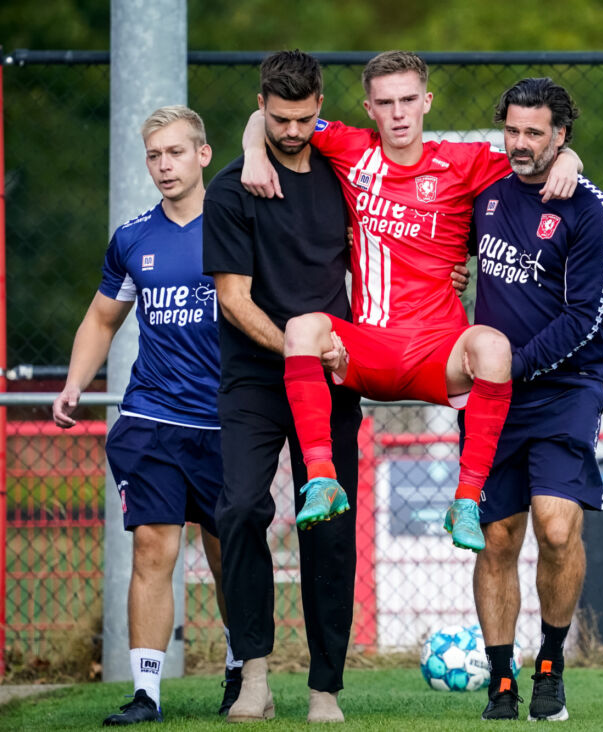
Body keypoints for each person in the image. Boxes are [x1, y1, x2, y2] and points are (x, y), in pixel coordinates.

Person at [240, 51, 582, 554]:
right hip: (366, 349)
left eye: (406, 100)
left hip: (436, 355)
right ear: (368, 108)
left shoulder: (463, 163)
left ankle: (467, 499)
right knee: (301, 329)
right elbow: (269, 115)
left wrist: (571, 158)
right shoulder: (348, 147)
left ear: (426, 101)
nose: (397, 113)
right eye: (384, 102)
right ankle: (320, 478)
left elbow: (535, 158)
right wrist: (252, 151)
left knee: (493, 346)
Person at [52, 105, 241, 725]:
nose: (164, 166)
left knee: (227, 556)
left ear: (203, 155)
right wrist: (76, 384)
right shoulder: (133, 238)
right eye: (155, 156)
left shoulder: (240, 227)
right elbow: (102, 318)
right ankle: (147, 693)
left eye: (176, 153)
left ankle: (242, 672)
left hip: (227, 424)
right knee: (154, 550)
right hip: (152, 418)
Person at [202, 51, 362, 724]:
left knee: (328, 528)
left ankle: (324, 688)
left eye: (304, 117)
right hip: (255, 376)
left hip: (331, 378)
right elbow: (234, 300)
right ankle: (255, 677)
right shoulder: (233, 188)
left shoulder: (341, 170)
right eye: (278, 118)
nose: (292, 130)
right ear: (260, 103)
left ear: (320, 101)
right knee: (238, 511)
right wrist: (298, 344)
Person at [467, 78, 603, 722]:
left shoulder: (592, 210)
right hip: (493, 398)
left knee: (557, 527)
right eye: (512, 130)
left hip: (563, 388)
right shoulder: (483, 191)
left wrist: (514, 367)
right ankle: (501, 679)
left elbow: (585, 316)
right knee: (497, 539)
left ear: (562, 136)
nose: (521, 143)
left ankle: (551, 665)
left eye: (536, 132)